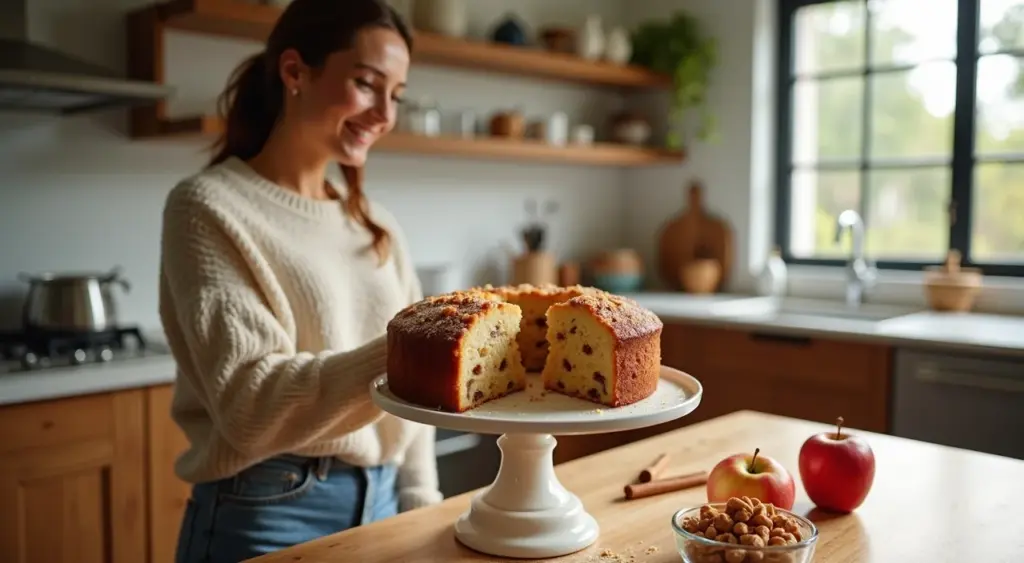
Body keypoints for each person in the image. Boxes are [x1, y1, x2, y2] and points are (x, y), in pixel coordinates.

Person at [157, 1, 441, 561]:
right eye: (366, 84)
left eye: (398, 95)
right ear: (295, 72)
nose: (385, 113)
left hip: (383, 500)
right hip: (266, 510)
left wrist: (421, 500)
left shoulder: (376, 222)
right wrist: (411, 351)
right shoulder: (208, 207)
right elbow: (250, 405)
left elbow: (417, 398)